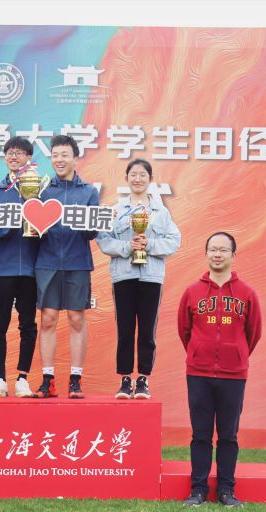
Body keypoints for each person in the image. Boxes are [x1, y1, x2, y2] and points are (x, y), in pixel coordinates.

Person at [177, 232, 262, 508]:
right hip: (198, 373)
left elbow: (253, 333)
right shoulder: (192, 292)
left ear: (233, 256)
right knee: (200, 434)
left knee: (228, 435)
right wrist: (198, 353)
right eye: (213, 249)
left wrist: (235, 354)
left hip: (233, 375)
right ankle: (198, 490)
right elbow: (184, 330)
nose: (217, 254)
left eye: (223, 250)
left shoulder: (247, 294)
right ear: (206, 254)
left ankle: (226, 490)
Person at [97, 159, 181, 400]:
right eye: (133, 174)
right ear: (126, 178)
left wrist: (149, 244)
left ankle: (143, 379)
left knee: (147, 330)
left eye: (143, 175)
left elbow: (174, 240)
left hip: (151, 277)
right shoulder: (115, 210)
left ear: (150, 179)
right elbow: (103, 239)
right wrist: (127, 247)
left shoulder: (161, 212)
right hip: (123, 275)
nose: (137, 179)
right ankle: (125, 379)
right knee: (125, 330)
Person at [34, 135, 99, 399]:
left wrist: (87, 224)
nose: (59, 160)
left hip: (77, 262)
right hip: (47, 261)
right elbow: (32, 228)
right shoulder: (41, 190)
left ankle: (75, 379)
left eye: (64, 155)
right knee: (48, 318)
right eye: (55, 155)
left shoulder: (89, 192)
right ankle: (47, 379)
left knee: (76, 318)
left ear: (75, 158)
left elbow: (92, 233)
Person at [0, 137, 39, 398]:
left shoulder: (41, 190)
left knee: (28, 325)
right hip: (0, 269)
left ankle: (22, 378)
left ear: (29, 158)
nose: (14, 156)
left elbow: (48, 226)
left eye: (19, 152)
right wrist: (15, 220)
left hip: (31, 268)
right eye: (9, 152)